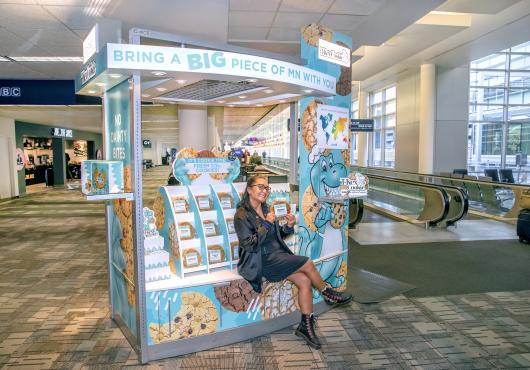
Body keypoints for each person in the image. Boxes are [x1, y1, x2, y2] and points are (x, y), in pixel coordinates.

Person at [234, 176, 352, 349]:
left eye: (267, 188)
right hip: (261, 261)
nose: (264, 191)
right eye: (260, 187)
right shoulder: (242, 216)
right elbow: (250, 245)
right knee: (307, 262)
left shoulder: (267, 209)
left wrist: (288, 226)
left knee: (304, 281)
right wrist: (267, 224)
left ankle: (305, 326)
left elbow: (277, 236)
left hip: (277, 256)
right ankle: (327, 293)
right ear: (249, 189)